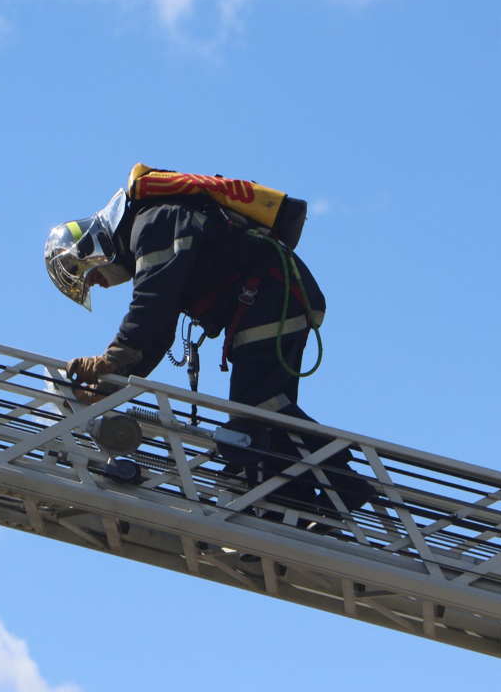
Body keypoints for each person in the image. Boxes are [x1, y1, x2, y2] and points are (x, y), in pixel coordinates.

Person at [44, 167, 373, 521]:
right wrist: (113, 383)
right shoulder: (154, 228)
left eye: (91, 277)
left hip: (270, 295)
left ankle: (343, 485)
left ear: (91, 248)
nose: (101, 285)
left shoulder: (153, 223)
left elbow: (151, 305)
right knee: (260, 411)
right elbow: (158, 333)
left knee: (256, 408)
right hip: (271, 297)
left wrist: (110, 361)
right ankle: (294, 496)